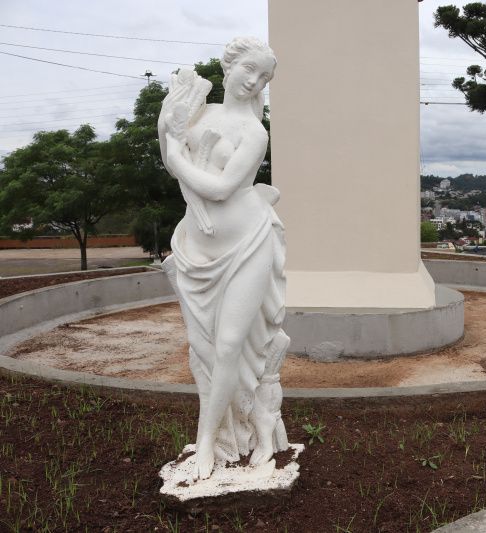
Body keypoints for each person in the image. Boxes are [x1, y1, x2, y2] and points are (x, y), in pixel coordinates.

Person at [158, 37, 289, 481]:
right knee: (203, 352)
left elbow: (219, 188)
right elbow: (170, 152)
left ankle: (209, 443)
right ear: (229, 65)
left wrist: (178, 158)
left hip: (248, 243)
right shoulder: (199, 113)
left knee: (232, 345)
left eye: (264, 78)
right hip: (196, 252)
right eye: (250, 69)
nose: (254, 82)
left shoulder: (255, 132)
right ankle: (235, 432)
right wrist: (172, 147)